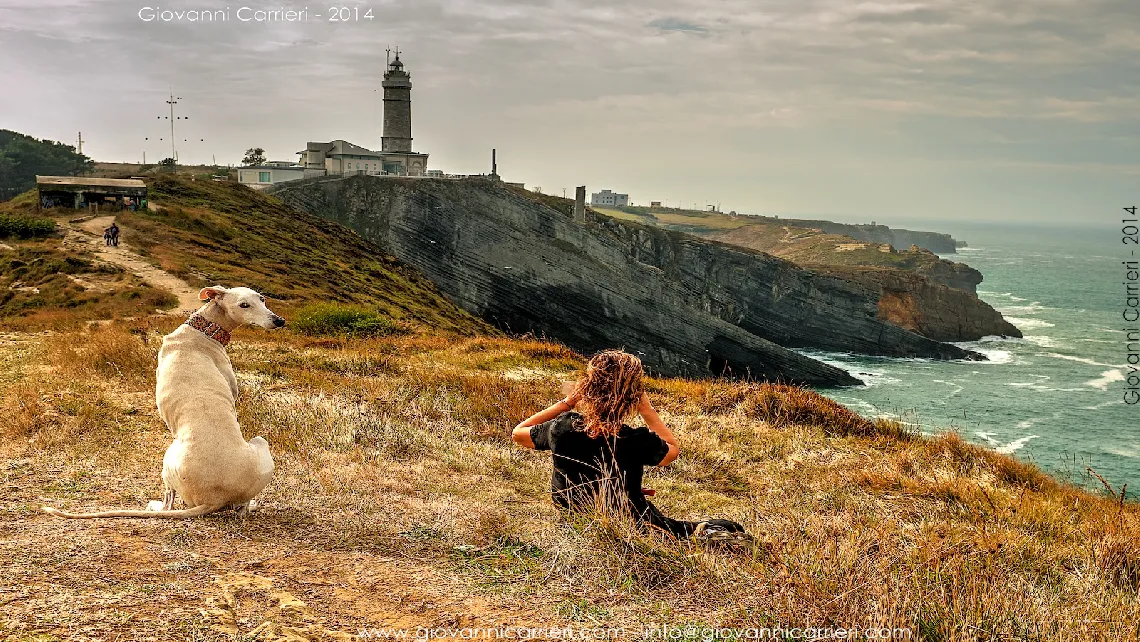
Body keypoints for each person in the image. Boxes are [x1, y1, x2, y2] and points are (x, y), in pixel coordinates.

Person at [512, 350, 748, 541]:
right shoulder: (635, 440)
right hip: (630, 519)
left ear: (587, 388)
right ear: (632, 396)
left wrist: (567, 402)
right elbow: (671, 450)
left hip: (574, 516)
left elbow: (518, 433)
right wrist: (647, 410)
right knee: (727, 527)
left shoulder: (562, 427)